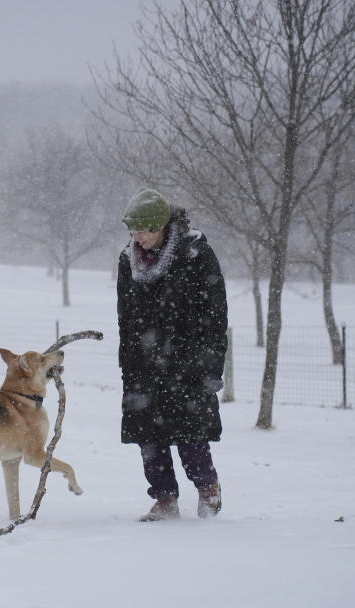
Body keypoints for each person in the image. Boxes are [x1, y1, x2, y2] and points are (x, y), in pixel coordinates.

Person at [116, 187, 228, 521]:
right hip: (144, 364)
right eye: (133, 231)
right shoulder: (128, 260)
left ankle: (207, 488)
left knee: (191, 434)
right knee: (148, 438)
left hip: (188, 361)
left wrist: (211, 365)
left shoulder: (195, 254)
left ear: (163, 225)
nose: (138, 238)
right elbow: (125, 316)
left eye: (145, 230)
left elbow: (215, 314)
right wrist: (128, 361)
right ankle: (164, 499)